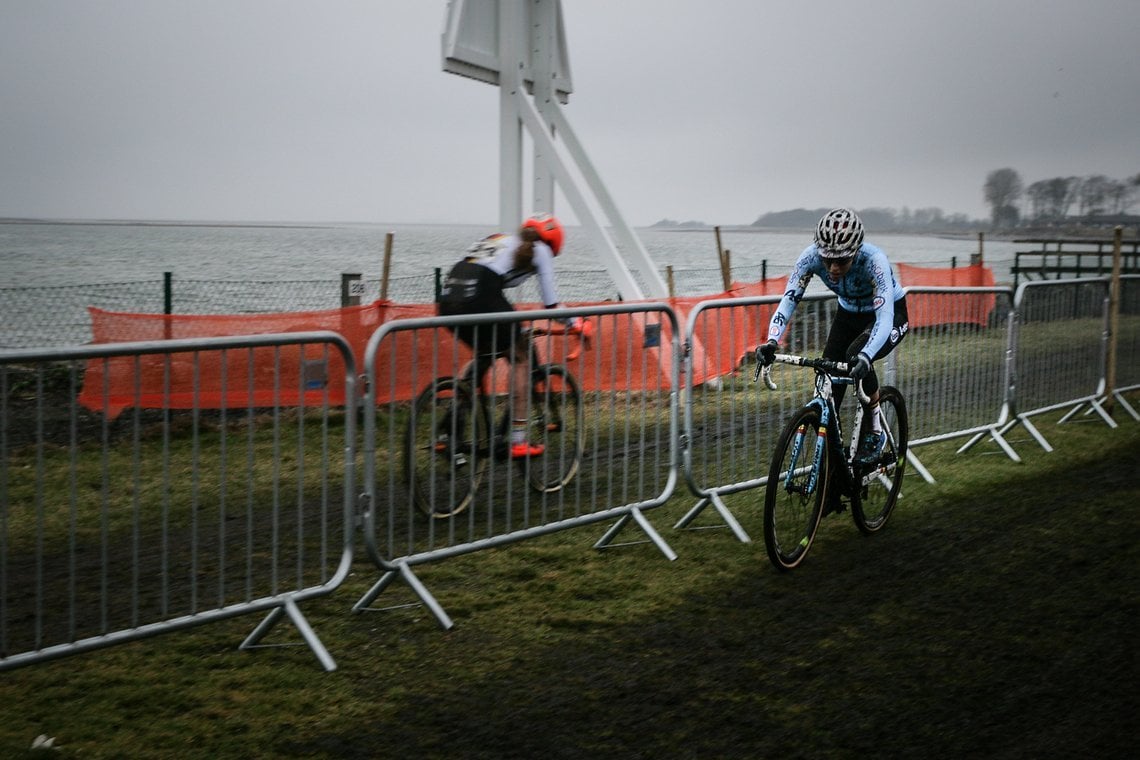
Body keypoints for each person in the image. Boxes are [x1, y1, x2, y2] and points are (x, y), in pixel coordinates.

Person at [758, 207, 909, 466]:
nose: (833, 267)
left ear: (856, 252)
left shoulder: (874, 261)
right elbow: (788, 301)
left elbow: (884, 318)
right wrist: (772, 340)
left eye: (842, 261)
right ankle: (835, 472)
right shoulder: (809, 259)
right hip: (847, 315)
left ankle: (875, 431)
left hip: (887, 316)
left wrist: (866, 355)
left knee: (855, 356)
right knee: (827, 380)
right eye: (827, 260)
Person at [437, 213, 585, 459]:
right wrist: (577, 322)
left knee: (484, 354)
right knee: (521, 357)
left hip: (449, 298)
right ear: (554, 242)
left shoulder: (500, 239)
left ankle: (448, 432)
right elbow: (552, 305)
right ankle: (517, 439)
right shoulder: (542, 250)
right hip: (481, 294)